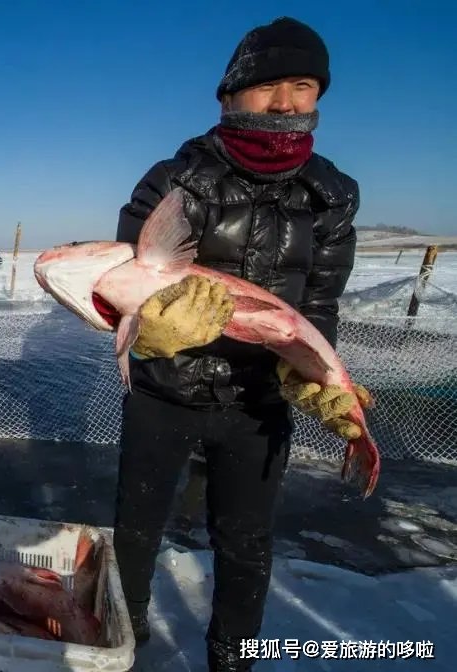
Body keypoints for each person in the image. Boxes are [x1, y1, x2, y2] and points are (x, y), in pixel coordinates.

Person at [112, 17, 363, 671]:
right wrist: (149, 332)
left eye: (302, 86)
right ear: (229, 95)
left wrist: (312, 372)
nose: (284, 103)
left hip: (258, 403)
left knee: (246, 544)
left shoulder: (332, 195)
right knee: (134, 532)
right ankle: (123, 643)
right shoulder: (174, 180)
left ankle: (233, 658)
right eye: (266, 85)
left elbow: (318, 304)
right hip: (164, 390)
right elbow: (124, 279)